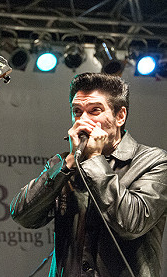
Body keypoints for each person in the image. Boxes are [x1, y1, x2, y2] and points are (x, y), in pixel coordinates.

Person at [10, 73, 167, 277]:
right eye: (77, 112)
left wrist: (94, 159)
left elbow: (131, 224)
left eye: (95, 111)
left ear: (120, 116)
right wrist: (68, 164)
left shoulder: (154, 161)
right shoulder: (63, 164)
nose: (83, 121)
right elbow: (23, 216)